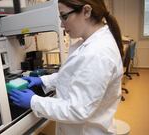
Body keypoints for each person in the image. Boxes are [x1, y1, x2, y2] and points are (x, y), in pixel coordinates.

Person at [9, 0, 124, 134]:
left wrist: (33, 101)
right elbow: (74, 75)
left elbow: (77, 110)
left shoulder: (97, 53)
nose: (62, 25)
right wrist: (44, 80)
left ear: (86, 11)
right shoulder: (89, 43)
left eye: (64, 16)